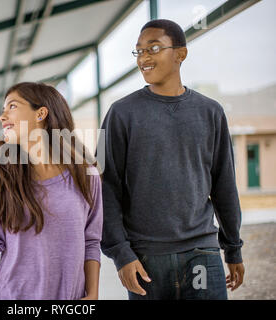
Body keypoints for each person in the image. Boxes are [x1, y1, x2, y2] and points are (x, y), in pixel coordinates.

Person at [100, 19, 245, 300]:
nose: (144, 57)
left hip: (202, 254)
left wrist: (233, 248)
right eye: (139, 51)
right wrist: (121, 253)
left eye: (153, 48)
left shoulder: (210, 112)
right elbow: (106, 187)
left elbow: (224, 185)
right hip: (146, 260)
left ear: (181, 53)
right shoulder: (120, 114)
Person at [0, 82, 103, 300]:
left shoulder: (86, 175)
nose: (2, 117)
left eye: (12, 106)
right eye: (3, 110)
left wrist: (93, 294)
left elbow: (91, 240)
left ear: (41, 113)